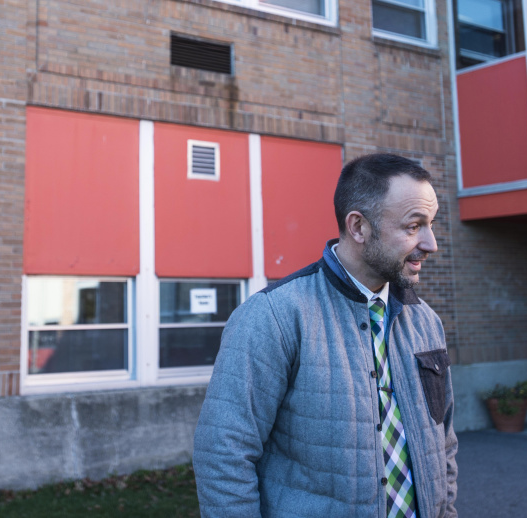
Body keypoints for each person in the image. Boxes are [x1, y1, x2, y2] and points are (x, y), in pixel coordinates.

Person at [193, 153, 457, 518]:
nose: (431, 244)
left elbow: (442, 442)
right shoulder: (275, 315)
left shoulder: (426, 322)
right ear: (359, 227)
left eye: (431, 225)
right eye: (414, 227)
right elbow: (223, 454)